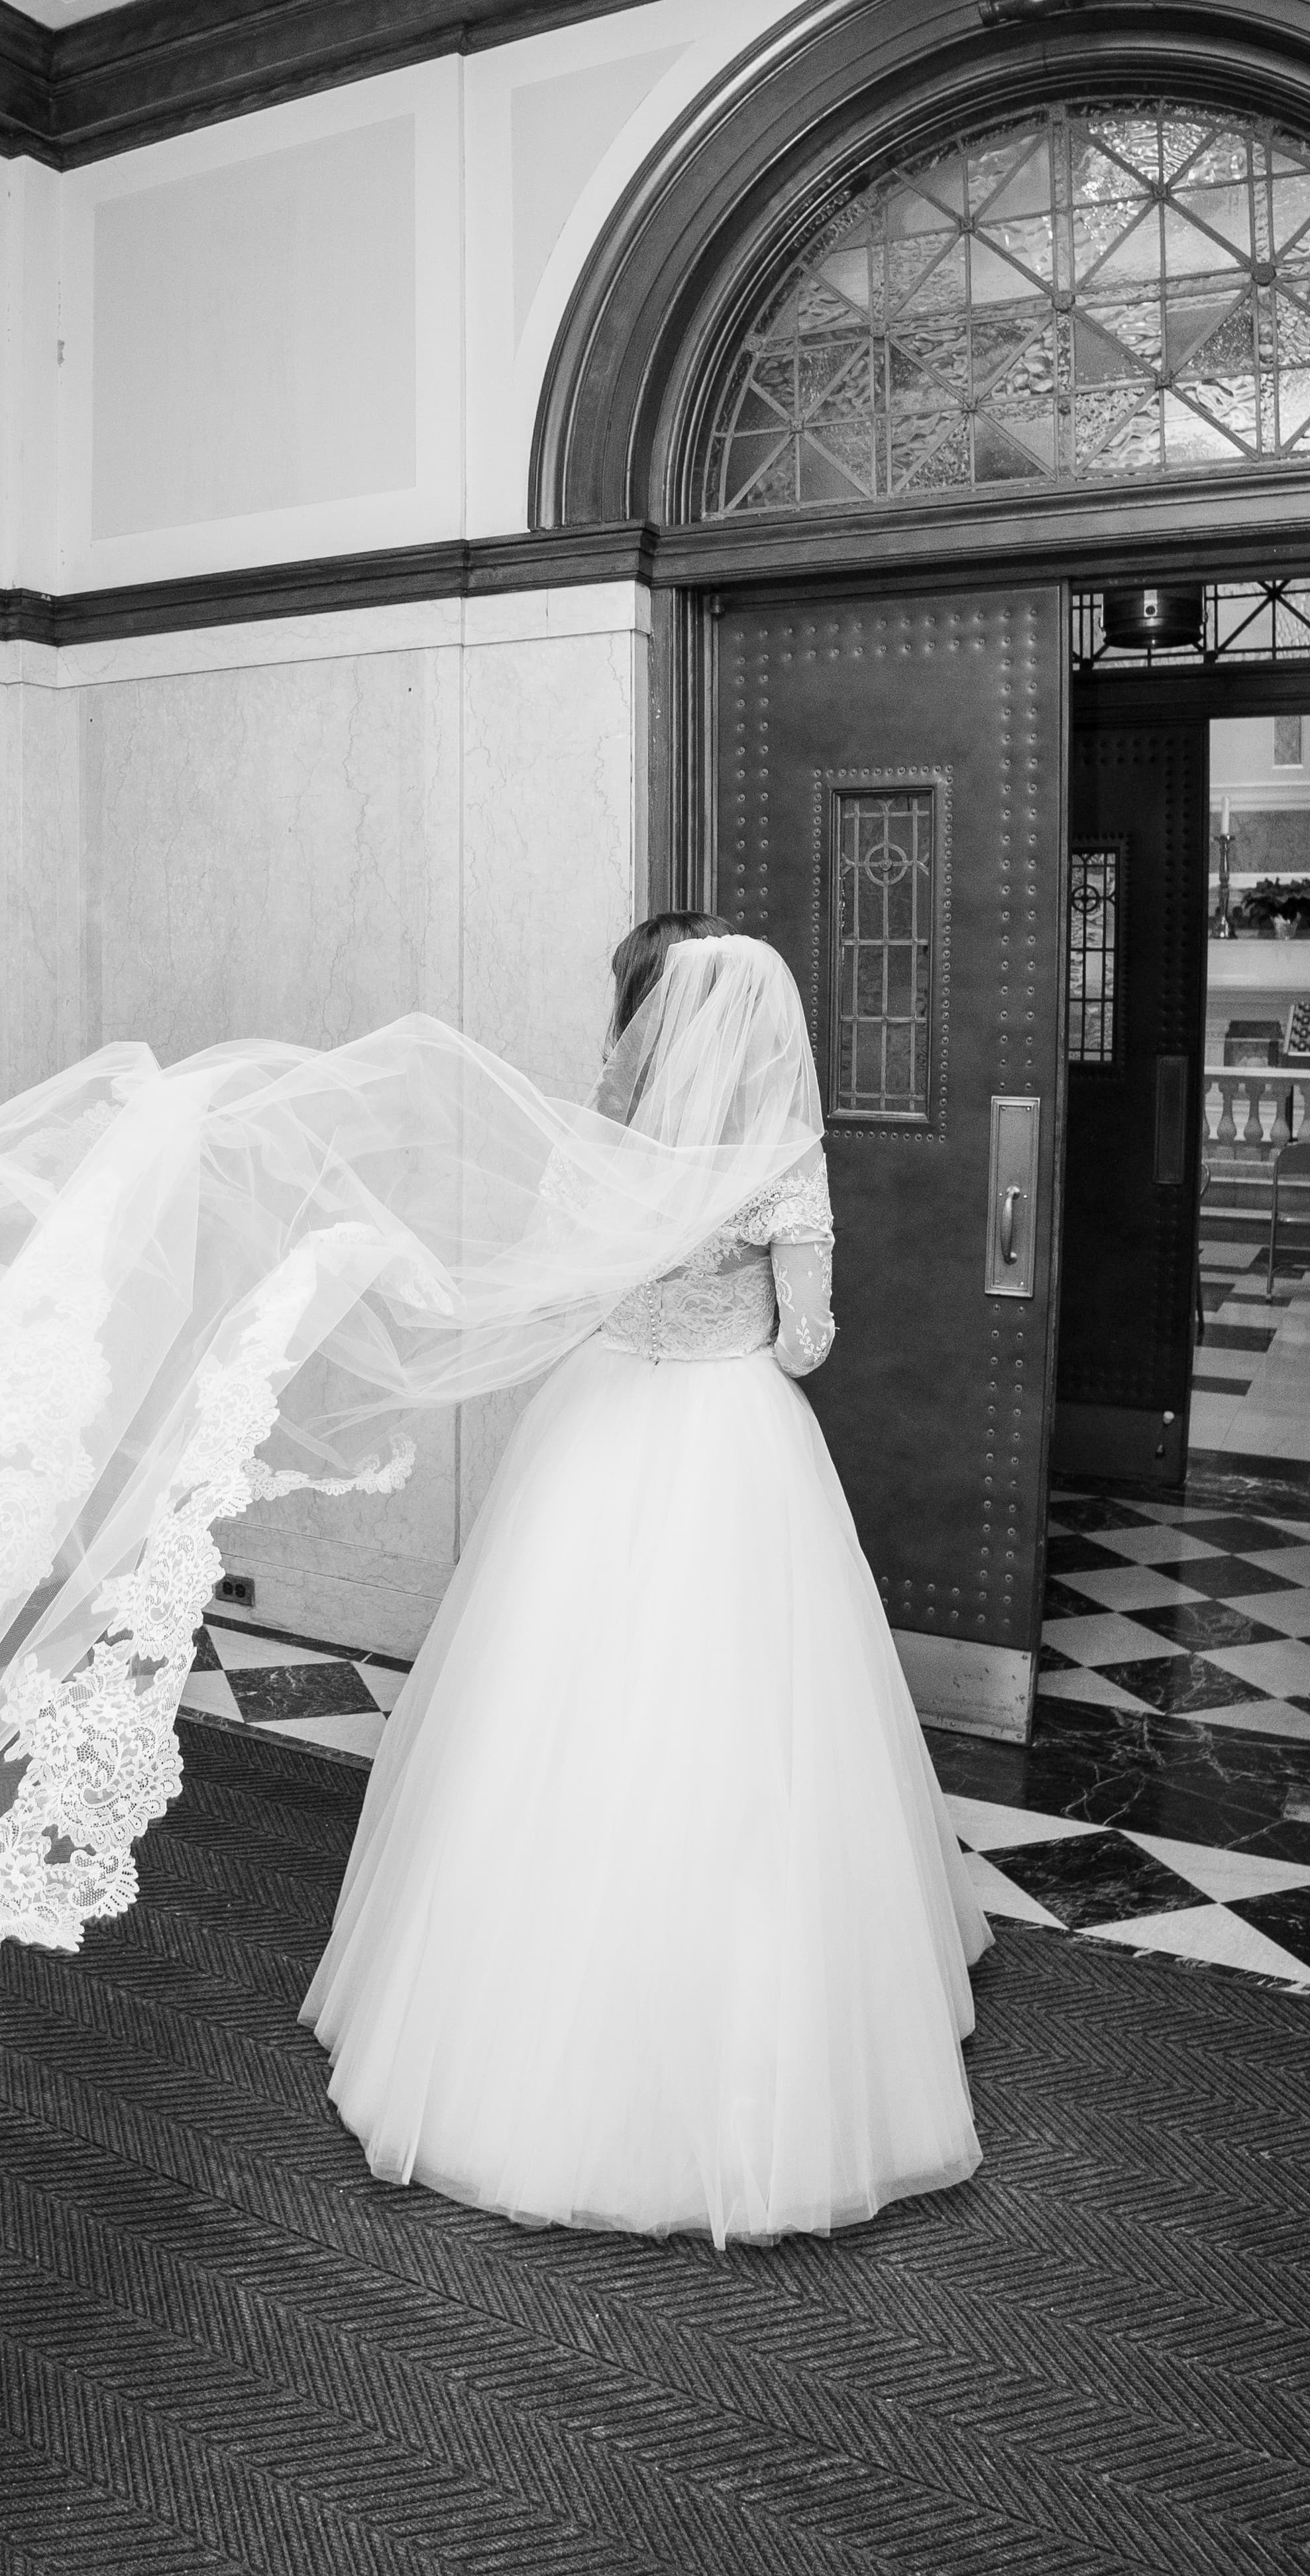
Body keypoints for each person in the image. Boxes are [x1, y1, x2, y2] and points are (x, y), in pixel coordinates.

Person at [301, 925, 991, 2244]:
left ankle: (504, 2026)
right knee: (750, 1724)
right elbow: (804, 1341)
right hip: (735, 1434)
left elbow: (575, 1291)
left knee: (558, 1702)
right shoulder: (781, 1159)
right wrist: (763, 1312)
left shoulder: (617, 1152)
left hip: (601, 1424)